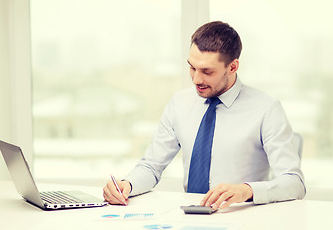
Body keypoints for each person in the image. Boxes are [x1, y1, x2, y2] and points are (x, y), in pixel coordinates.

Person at [103, 21, 306, 210]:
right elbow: (152, 166)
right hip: (189, 218)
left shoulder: (266, 109)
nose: (196, 79)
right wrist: (127, 184)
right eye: (192, 67)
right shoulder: (179, 103)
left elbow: (294, 183)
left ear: (233, 67)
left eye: (207, 72)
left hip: (241, 217)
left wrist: (247, 190)